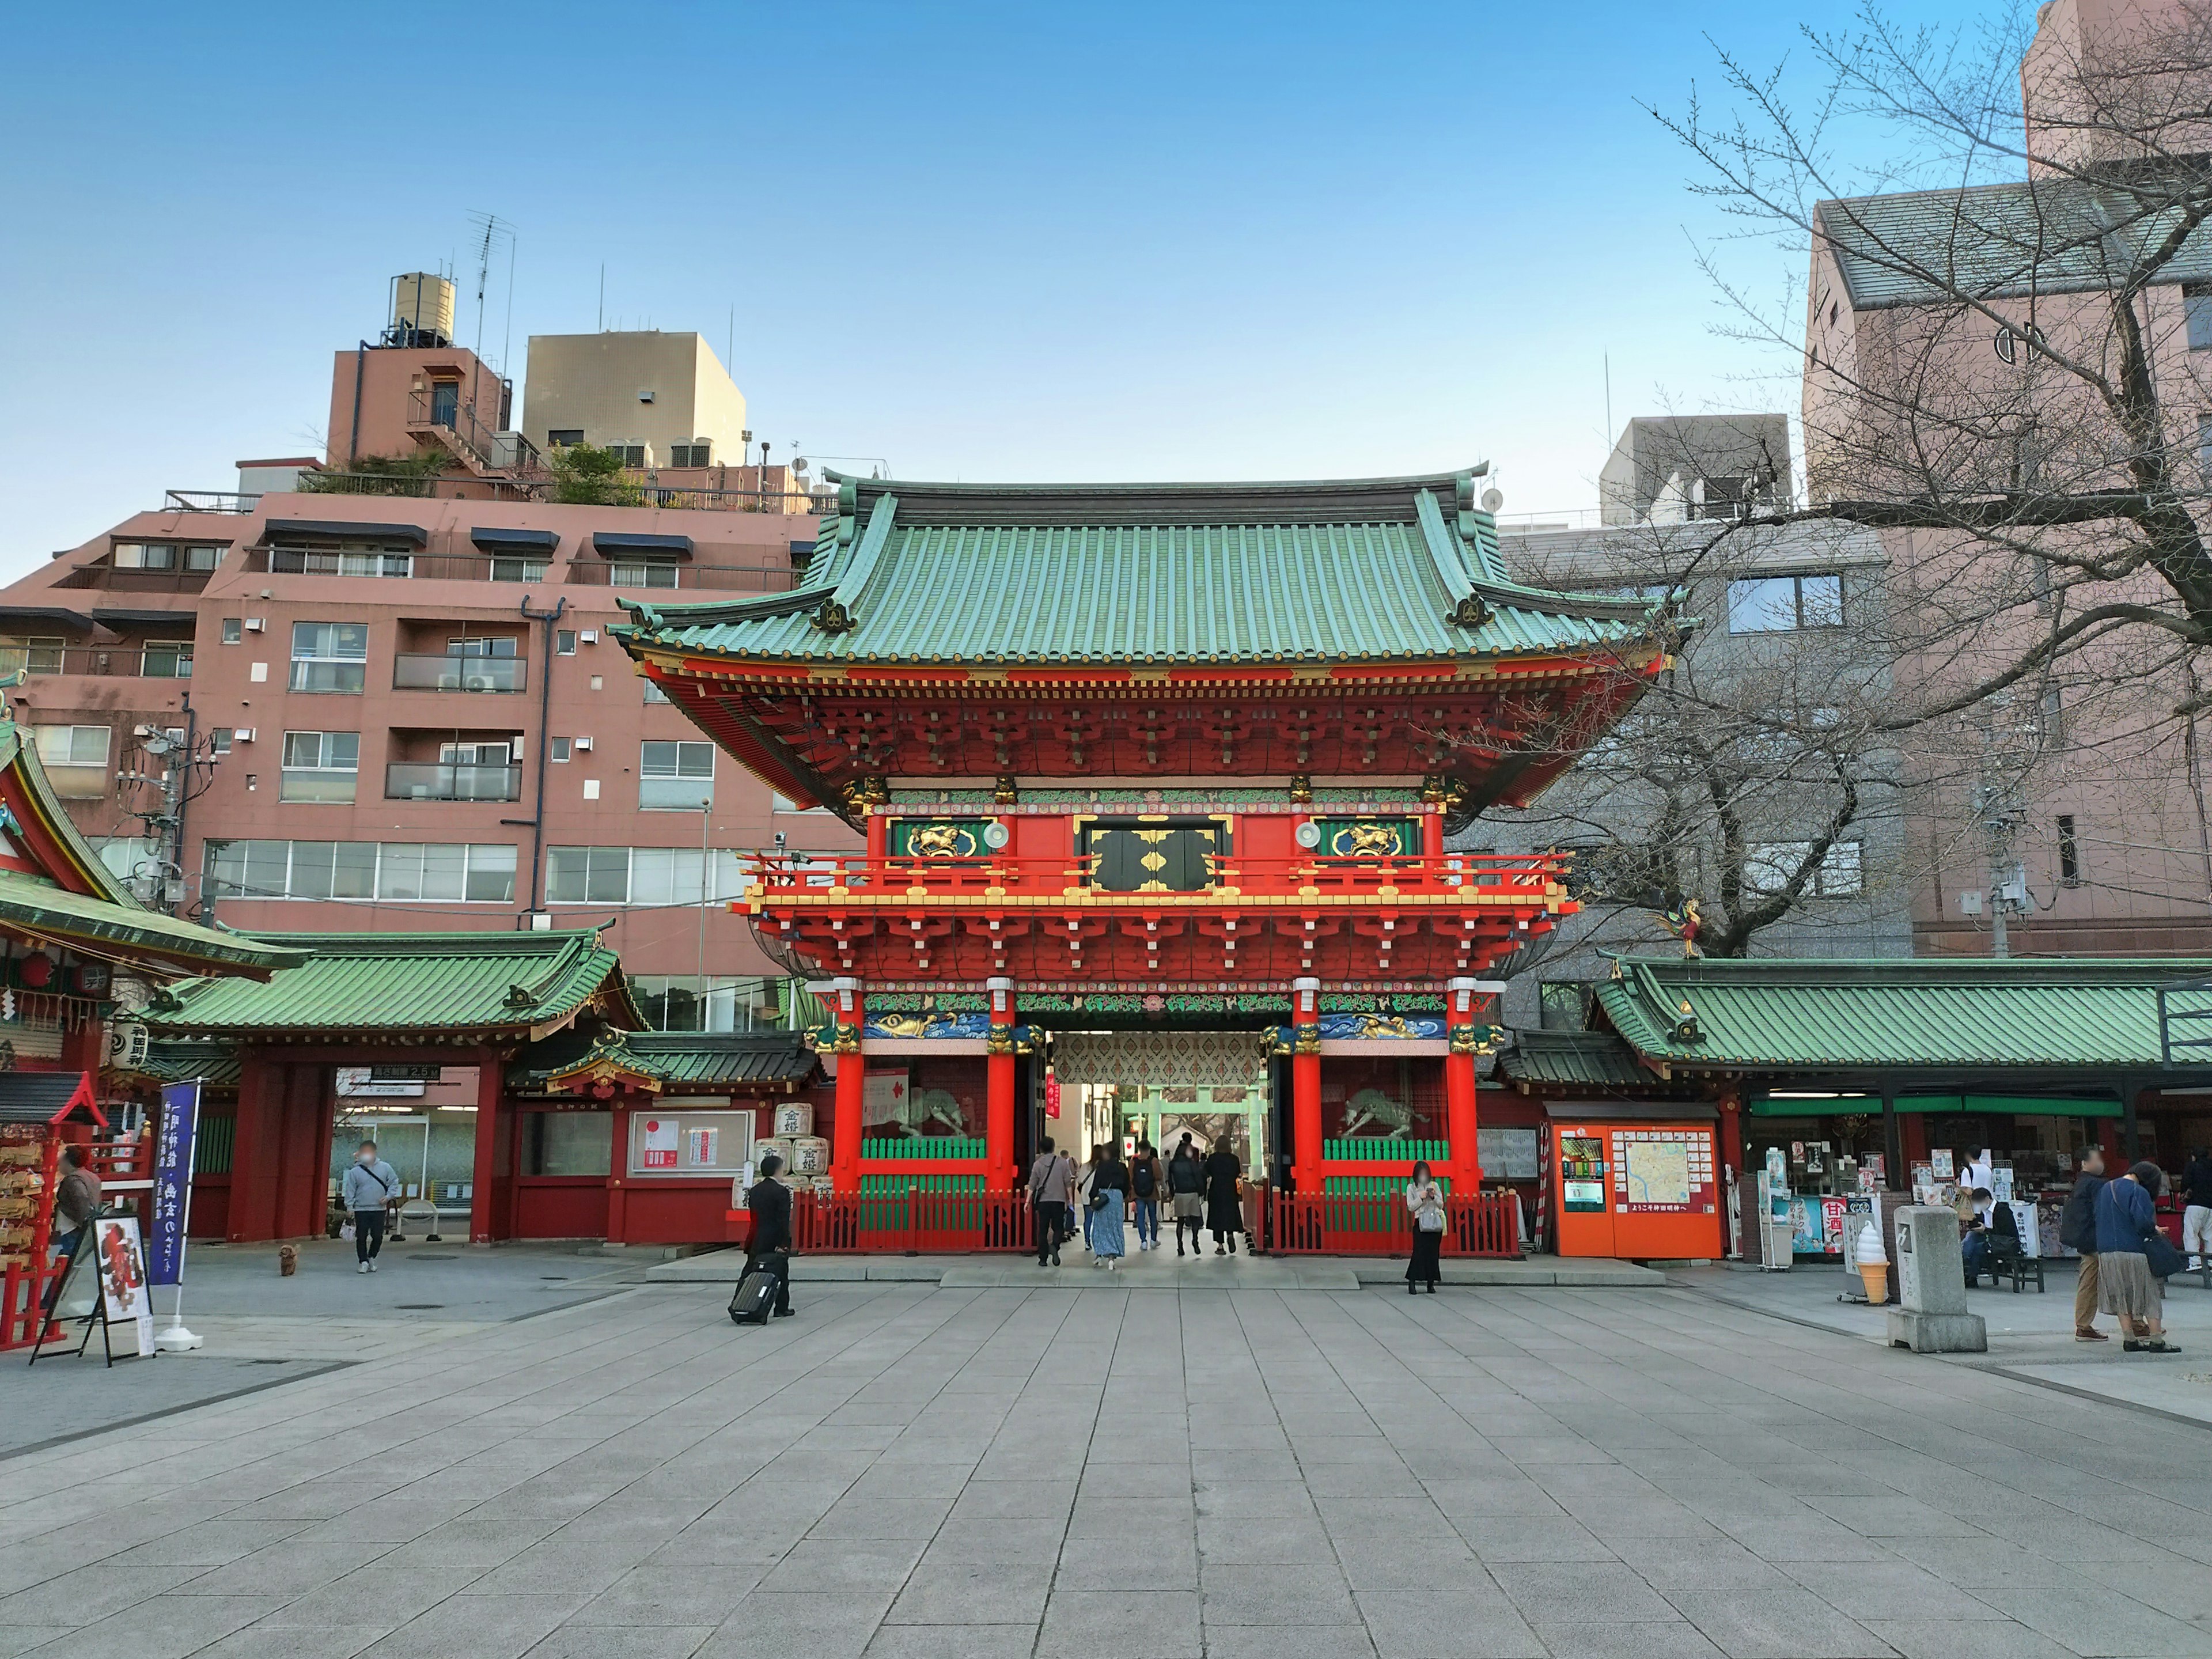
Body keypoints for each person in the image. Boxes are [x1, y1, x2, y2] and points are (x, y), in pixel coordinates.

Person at [2096, 1160, 2177, 1353]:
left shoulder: (2106, 1188)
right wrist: (2155, 1230)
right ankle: (2157, 1340)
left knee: (2121, 1295)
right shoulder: (2138, 1192)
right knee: (2149, 1294)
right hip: (2133, 1250)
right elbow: (2143, 1223)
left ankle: (2129, 1339)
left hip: (2107, 1251)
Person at [37, 1144, 102, 1326]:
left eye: (62, 1161)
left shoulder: (72, 1180)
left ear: (68, 1161)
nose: (59, 1164)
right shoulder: (93, 1177)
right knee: (68, 1267)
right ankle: (48, 1304)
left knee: (64, 1268)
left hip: (73, 1228)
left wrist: (83, 1222)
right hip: (84, 1228)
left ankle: (48, 1305)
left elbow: (81, 1203)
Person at [2059, 1146, 2108, 1342]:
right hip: (2099, 1240)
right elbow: (2103, 1212)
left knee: (2088, 1282)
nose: (2100, 1162)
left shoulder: (2080, 1183)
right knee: (2123, 1279)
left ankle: (2083, 1325)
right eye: (2097, 1159)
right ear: (2085, 1163)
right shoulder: (2096, 1185)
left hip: (2085, 1240)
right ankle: (2137, 1324)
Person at [743, 1152, 795, 1317]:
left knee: (750, 1271)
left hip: (756, 1237)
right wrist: (784, 1243)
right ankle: (781, 1308)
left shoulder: (755, 1191)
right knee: (781, 1272)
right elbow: (783, 1220)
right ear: (777, 1170)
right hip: (774, 1239)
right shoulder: (781, 1192)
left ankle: (742, 1301)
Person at [340, 1139, 400, 1274]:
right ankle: (363, 1261)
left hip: (379, 1209)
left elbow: (394, 1182)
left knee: (378, 1236)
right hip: (361, 1209)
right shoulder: (355, 1171)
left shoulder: (385, 1167)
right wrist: (349, 1207)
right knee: (361, 1237)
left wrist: (389, 1196)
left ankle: (372, 1256)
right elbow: (350, 1190)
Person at [1028, 1135, 1075, 1267]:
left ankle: (1043, 1259)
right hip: (1058, 1201)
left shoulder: (1038, 1164)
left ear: (1041, 1148)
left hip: (1043, 1201)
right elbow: (1068, 1183)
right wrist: (1070, 1199)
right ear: (1053, 1147)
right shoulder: (1062, 1163)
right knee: (1059, 1228)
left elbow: (1032, 1185)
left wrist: (1027, 1202)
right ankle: (1055, 1245)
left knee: (1042, 1230)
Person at [1405, 1160, 1445, 1294]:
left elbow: (1441, 1205)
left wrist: (1433, 1197)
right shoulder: (1411, 1187)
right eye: (1421, 1173)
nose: (1423, 1175)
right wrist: (1421, 1198)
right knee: (1419, 1253)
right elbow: (1411, 1206)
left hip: (1434, 1223)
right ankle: (1412, 1281)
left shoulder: (1435, 1185)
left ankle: (1431, 1283)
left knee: (1433, 1254)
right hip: (1421, 1223)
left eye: (1425, 1173)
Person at [1089, 1146, 1130, 1270]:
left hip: (1103, 1196)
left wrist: (1092, 1198)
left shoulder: (1101, 1166)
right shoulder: (1121, 1167)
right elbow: (1127, 1184)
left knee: (1101, 1226)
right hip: (1117, 1196)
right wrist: (1122, 1195)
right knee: (1115, 1226)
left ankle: (1099, 1254)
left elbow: (1096, 1183)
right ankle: (1112, 1258)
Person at [1203, 1138, 1243, 1256]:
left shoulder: (1213, 1158)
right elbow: (1237, 1173)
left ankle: (1220, 1246)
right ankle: (1230, 1234)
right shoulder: (1234, 1159)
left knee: (1217, 1217)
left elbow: (1206, 1171)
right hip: (1230, 1190)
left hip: (1216, 1190)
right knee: (1229, 1214)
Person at [1168, 1134, 1205, 1256]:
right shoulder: (1192, 1163)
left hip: (1179, 1193)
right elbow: (1198, 1178)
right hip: (1192, 1192)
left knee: (1180, 1221)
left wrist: (1173, 1194)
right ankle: (1195, 1240)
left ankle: (1180, 1245)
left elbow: (1170, 1180)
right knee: (1194, 1219)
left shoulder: (1173, 1164)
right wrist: (1201, 1192)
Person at [2180, 1145, 2212, 1271]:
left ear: (2194, 1155)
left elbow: (2186, 1182)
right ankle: (2210, 1261)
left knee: (2191, 1233)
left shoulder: (2192, 1166)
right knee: (2210, 1235)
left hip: (2196, 1204)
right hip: (2210, 1206)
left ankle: (2195, 1262)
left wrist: (2183, 1192)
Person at [1129, 1139, 1161, 1252]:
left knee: (1141, 1218)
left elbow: (1130, 1177)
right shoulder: (1154, 1161)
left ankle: (1143, 1241)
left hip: (1138, 1193)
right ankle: (1153, 1240)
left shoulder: (1134, 1161)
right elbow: (1159, 1176)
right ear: (1149, 1148)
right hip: (1151, 1192)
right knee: (1153, 1217)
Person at [1959, 1187, 1995, 1285]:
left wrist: (1985, 1230)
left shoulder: (2001, 1210)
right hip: (1986, 1235)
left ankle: (1967, 1269)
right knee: (1971, 1235)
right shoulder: (1983, 1211)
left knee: (1977, 1248)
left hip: (1999, 1240)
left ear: (1987, 1199)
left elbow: (2003, 1231)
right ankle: (1964, 1258)